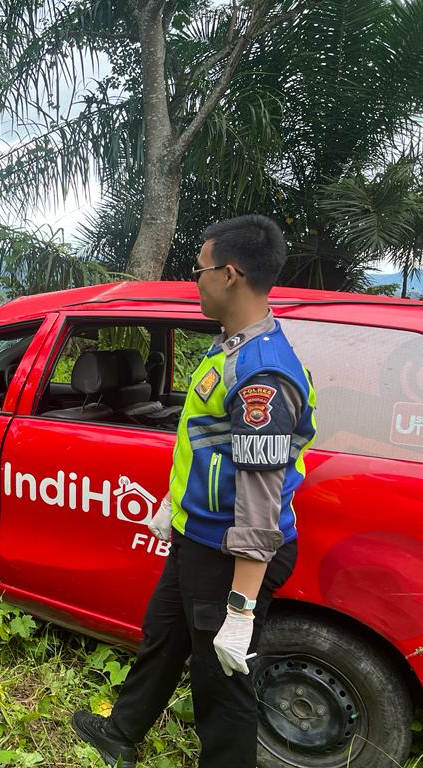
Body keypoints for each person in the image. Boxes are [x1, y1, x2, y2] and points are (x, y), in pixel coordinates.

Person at [71, 215, 317, 767]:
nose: (196, 281)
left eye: (200, 270)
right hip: (196, 535)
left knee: (222, 682)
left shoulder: (261, 376)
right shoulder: (230, 348)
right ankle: (120, 732)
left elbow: (259, 501)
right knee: (162, 637)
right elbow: (209, 449)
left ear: (230, 274)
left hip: (230, 554)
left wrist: (241, 608)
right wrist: (174, 505)